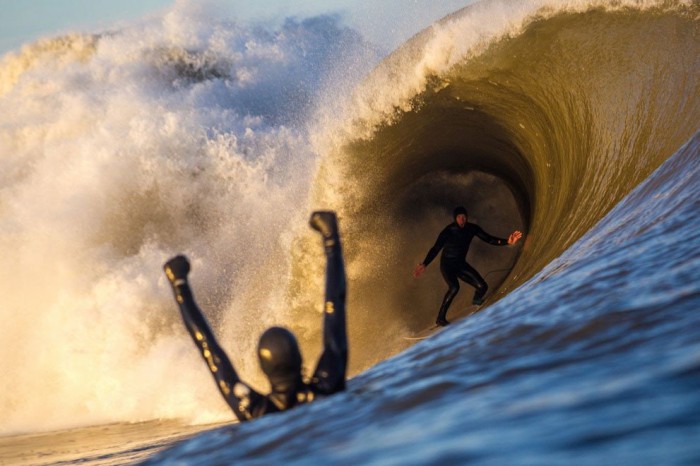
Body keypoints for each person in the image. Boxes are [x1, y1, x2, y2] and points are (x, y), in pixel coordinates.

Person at [163, 211, 347, 422]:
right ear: (299, 357)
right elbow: (335, 308)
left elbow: (210, 350)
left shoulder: (254, 411)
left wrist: (180, 287)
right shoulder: (327, 386)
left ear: (262, 369)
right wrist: (331, 241)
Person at [412, 206, 522, 326]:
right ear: (455, 218)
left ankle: (476, 300)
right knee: (454, 287)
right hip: (447, 265)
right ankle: (440, 318)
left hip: (460, 264)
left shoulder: (472, 229)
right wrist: (424, 264)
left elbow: (489, 239)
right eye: (459, 217)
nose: (462, 220)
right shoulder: (448, 231)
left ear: (467, 218)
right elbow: (436, 248)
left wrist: (507, 241)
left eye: (464, 217)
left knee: (482, 287)